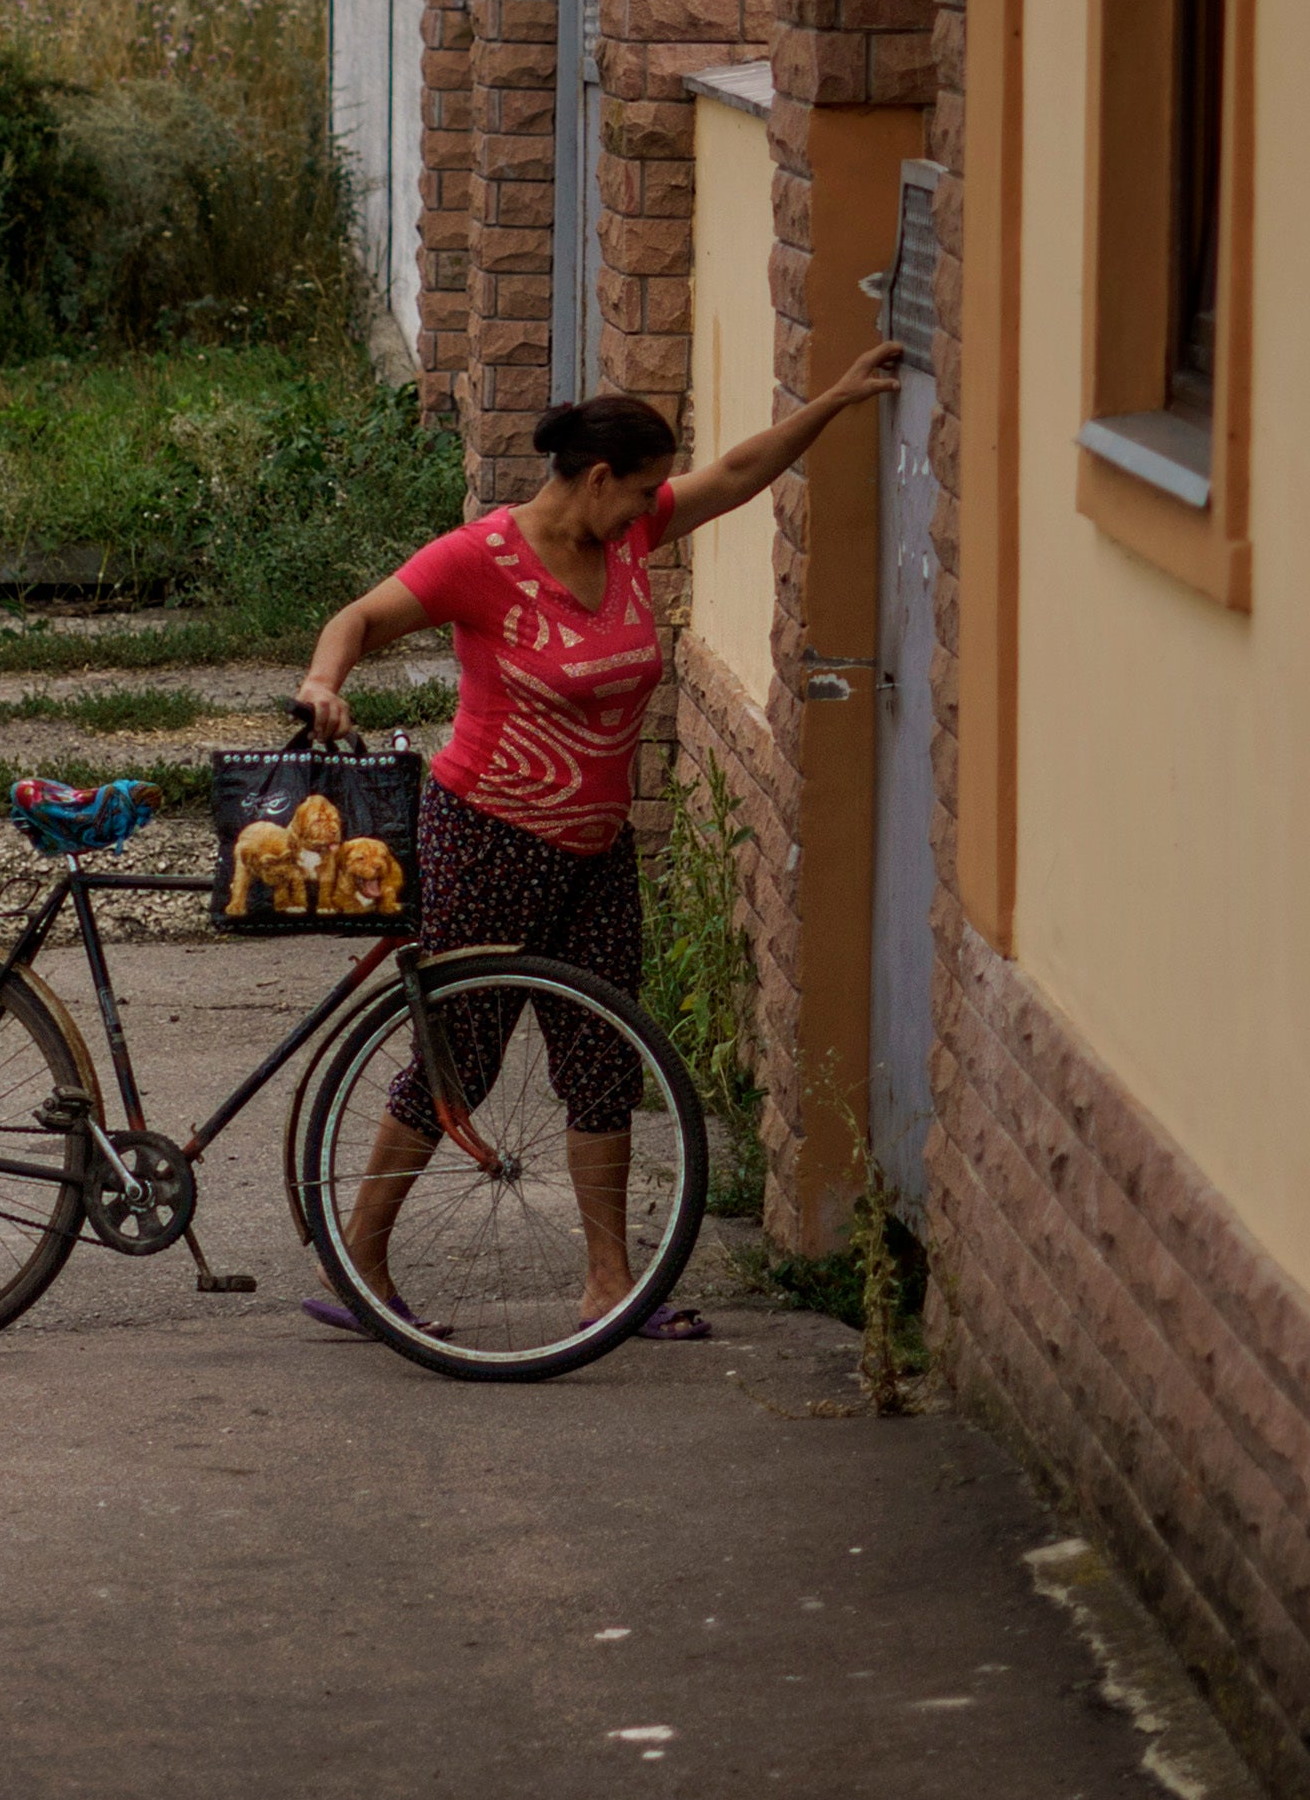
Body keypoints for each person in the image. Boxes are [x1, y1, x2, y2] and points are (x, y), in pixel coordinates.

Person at [293, 351, 908, 1337]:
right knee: (460, 1059)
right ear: (595, 479)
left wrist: (830, 401)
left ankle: (609, 1286)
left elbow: (739, 473)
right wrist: (325, 683)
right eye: (640, 490)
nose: (651, 509)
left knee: (602, 1057)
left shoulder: (629, 538)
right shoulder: (481, 558)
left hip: (594, 851)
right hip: (485, 838)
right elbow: (359, 617)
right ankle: (359, 1260)